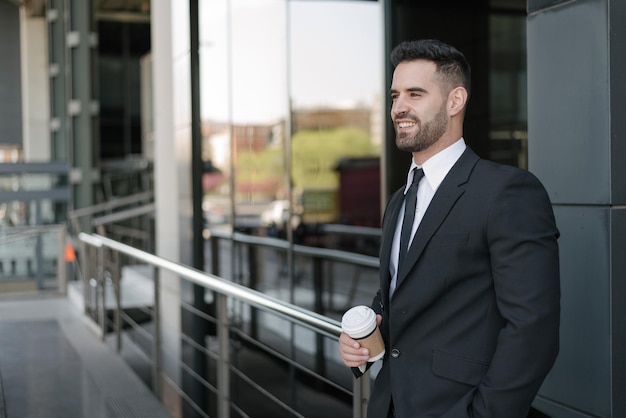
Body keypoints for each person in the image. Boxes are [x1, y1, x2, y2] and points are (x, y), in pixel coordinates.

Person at [338, 39, 560, 418]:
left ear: (455, 101)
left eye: (415, 94)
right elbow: (402, 295)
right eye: (394, 96)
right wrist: (362, 340)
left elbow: (532, 328)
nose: (399, 108)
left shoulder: (507, 191)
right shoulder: (398, 200)